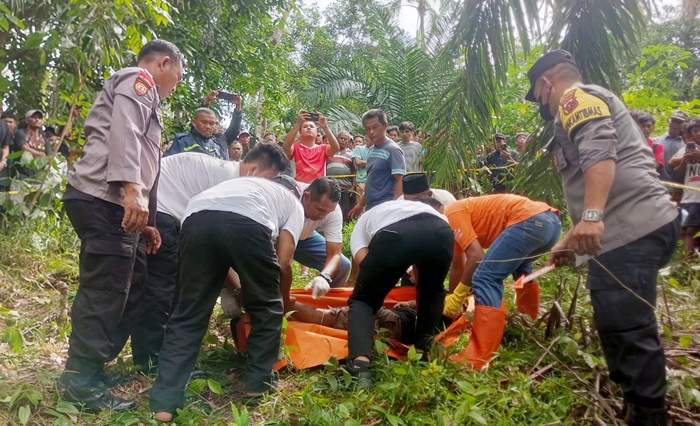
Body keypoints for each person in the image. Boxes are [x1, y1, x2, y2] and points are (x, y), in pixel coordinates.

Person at [525, 49, 679, 425]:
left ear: (546, 83)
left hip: (630, 229)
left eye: (538, 95)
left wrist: (591, 217)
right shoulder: (588, 99)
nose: (541, 103)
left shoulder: (575, 97)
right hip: (628, 231)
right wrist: (569, 239)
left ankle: (649, 417)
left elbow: (598, 151)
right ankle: (636, 408)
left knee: (628, 328)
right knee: (615, 323)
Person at [57, 39, 185, 412]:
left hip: (119, 205)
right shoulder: (138, 79)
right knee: (107, 288)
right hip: (103, 198)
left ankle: (95, 365)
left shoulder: (148, 96)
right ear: (164, 63)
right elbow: (125, 133)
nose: (174, 84)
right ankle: (79, 378)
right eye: (176, 76)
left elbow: (149, 161)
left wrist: (147, 219)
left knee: (133, 286)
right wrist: (131, 189)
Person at [150, 176, 304, 422]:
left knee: (188, 312)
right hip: (248, 220)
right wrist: (273, 299)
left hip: (196, 217)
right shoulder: (295, 204)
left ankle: (164, 404)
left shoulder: (242, 184)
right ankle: (257, 385)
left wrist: (236, 291)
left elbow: (221, 247)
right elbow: (283, 262)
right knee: (266, 306)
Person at [131, 144, 288, 374]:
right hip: (161, 214)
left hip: (169, 213)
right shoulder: (231, 184)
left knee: (172, 289)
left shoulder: (227, 174)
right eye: (268, 180)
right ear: (253, 170)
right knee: (162, 290)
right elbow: (217, 249)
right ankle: (152, 361)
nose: (267, 187)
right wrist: (231, 290)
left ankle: (161, 359)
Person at [440, 195, 561, 368]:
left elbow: (476, 256)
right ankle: (526, 323)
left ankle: (478, 356)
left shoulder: (452, 213)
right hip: (551, 225)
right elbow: (458, 268)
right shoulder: (456, 221)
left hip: (529, 222)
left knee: (485, 277)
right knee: (521, 271)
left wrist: (458, 296)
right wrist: (453, 301)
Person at [345, 199, 454, 387]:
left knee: (363, 301)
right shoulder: (408, 208)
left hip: (395, 235)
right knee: (432, 291)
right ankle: (424, 353)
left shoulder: (360, 228)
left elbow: (366, 267)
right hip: (441, 231)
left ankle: (360, 369)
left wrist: (381, 284)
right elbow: (420, 263)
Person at [295, 177, 351, 291]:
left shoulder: (333, 210)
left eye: (328, 212)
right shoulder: (290, 196)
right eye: (320, 210)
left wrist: (324, 276)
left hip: (304, 239)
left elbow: (335, 254)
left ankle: (326, 303)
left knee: (343, 266)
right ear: (306, 197)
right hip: (277, 238)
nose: (323, 216)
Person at [349, 109, 406, 218]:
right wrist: (361, 204)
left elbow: (401, 180)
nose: (371, 132)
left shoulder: (393, 150)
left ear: (385, 125)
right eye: (367, 128)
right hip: (371, 208)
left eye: (375, 127)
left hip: (386, 208)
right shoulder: (371, 150)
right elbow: (371, 179)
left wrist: (394, 208)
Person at [668, 118, 700, 252]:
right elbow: (678, 174)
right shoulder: (686, 150)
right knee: (689, 231)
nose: (698, 133)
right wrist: (684, 161)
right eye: (695, 131)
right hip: (691, 197)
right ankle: (686, 265)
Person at [283, 110, 340, 184]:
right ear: (300, 133)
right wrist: (298, 124)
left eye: (312, 126)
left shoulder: (323, 148)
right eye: (305, 127)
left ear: (316, 133)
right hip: (300, 187)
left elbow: (336, 148)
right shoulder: (295, 147)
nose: (309, 128)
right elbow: (286, 147)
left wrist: (325, 127)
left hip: (319, 186)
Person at [655, 110, 690, 203]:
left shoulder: (688, 144)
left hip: (683, 191)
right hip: (659, 189)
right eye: (673, 121)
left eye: (679, 122)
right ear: (669, 122)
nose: (675, 124)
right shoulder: (656, 141)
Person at [13, 109, 53, 178]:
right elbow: (24, 148)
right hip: (21, 173)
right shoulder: (21, 133)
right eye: (34, 117)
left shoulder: (45, 138)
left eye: (39, 118)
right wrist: (40, 154)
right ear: (27, 120)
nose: (37, 120)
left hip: (39, 175)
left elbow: (49, 157)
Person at [325, 131, 355, 220]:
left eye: (345, 139)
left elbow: (355, 171)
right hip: (329, 186)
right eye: (341, 138)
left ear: (349, 141)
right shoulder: (329, 151)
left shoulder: (352, 154)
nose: (343, 141)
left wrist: (353, 186)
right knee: (329, 210)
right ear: (336, 138)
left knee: (343, 211)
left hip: (345, 187)